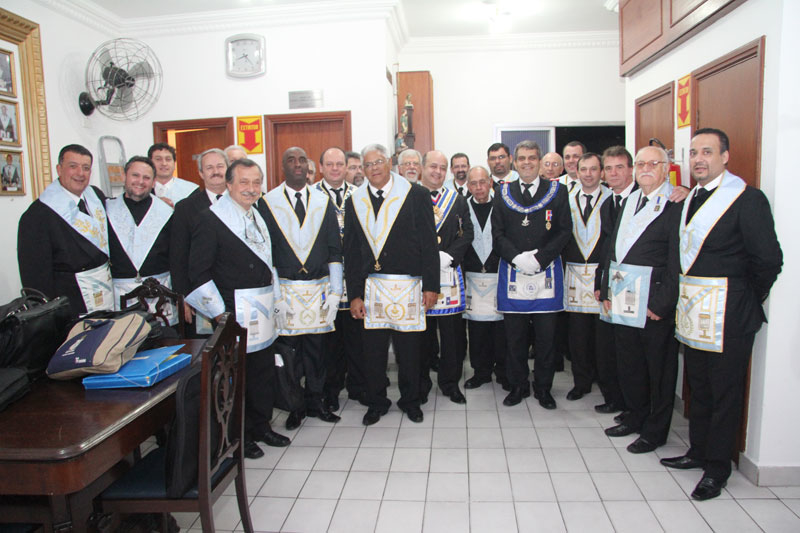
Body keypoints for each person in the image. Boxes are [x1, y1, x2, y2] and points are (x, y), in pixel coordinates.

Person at [661, 128, 782, 501]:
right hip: (694, 312)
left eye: (707, 152)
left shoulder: (747, 199)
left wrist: (744, 296)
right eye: (694, 152)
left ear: (725, 157)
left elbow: (768, 260)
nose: (699, 159)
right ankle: (698, 451)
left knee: (725, 393)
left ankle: (717, 469)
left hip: (730, 314)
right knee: (699, 387)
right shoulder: (690, 197)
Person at [186, 158, 290, 459]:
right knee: (237, 378)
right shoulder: (210, 220)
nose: (251, 188)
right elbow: (198, 273)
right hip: (233, 311)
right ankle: (240, 436)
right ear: (229, 184)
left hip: (262, 308)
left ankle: (262, 426)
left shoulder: (257, 215)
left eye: (256, 182)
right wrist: (221, 315)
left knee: (261, 373)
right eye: (244, 182)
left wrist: (277, 301)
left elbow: (268, 263)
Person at [343, 143, 438, 425]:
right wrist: (354, 294)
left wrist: (431, 285)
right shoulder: (355, 200)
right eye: (368, 164)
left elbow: (429, 243)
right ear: (363, 169)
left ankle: (411, 400)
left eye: (378, 162)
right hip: (371, 288)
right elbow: (351, 251)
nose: (374, 168)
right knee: (373, 353)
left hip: (408, 285)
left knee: (410, 351)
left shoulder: (415, 194)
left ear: (389, 163)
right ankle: (376, 402)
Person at [600, 145, 682, 455]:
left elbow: (677, 260)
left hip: (653, 300)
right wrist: (606, 289)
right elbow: (612, 247)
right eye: (641, 163)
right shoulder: (630, 200)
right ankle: (635, 416)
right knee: (630, 362)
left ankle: (655, 431)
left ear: (666, 168)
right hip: (623, 295)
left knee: (658, 370)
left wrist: (662, 303)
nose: (646, 168)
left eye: (653, 163)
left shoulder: (676, 204)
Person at [259, 146, 343, 431]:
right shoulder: (267, 203)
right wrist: (276, 297)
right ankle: (295, 407)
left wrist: (336, 292)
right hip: (286, 290)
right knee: (290, 355)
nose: (297, 164)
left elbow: (334, 249)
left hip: (319, 289)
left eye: (302, 160)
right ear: (282, 166)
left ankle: (316, 402)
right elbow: (267, 254)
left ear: (309, 166)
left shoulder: (323, 201)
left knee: (318, 353)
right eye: (290, 160)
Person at [492, 140, 571, 409]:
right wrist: (516, 258)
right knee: (514, 338)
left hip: (546, 273)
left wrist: (539, 259)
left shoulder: (557, 191)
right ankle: (518, 386)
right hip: (513, 271)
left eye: (532, 158)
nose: (527, 163)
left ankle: (543, 388)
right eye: (522, 158)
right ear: (514, 162)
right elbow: (497, 233)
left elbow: (564, 230)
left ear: (540, 161)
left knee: (546, 339)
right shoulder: (503, 192)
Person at [18, 144, 112, 318]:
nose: (80, 173)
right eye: (73, 166)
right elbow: (36, 277)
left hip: (105, 292)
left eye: (86, 168)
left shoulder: (96, 197)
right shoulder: (38, 215)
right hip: (70, 301)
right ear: (59, 169)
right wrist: (49, 314)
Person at [314, 147, 368, 411]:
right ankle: (331, 390)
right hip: (325, 280)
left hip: (356, 279)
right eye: (330, 164)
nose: (335, 168)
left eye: (339, 164)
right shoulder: (312, 196)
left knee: (357, 338)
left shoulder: (359, 195)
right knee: (330, 341)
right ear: (321, 167)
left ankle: (358, 387)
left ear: (347, 167)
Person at [419, 150, 473, 405]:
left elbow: (467, 233)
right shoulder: (410, 197)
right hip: (420, 276)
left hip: (449, 273)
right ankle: (421, 385)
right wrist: (427, 259)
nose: (437, 171)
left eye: (442, 167)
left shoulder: (457, 200)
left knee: (452, 337)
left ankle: (450, 384)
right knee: (421, 337)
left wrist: (449, 256)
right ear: (423, 167)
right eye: (433, 166)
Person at [592, 146, 636, 416]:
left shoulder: (642, 201)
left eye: (620, 167)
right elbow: (606, 247)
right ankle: (615, 399)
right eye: (608, 168)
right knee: (608, 347)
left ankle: (632, 408)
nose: (614, 173)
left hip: (634, 289)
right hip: (611, 285)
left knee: (629, 352)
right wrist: (600, 282)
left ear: (631, 169)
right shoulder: (609, 203)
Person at [562, 153, 610, 401]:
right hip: (574, 276)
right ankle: (581, 383)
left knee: (603, 337)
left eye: (593, 169)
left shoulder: (612, 199)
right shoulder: (566, 199)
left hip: (602, 276)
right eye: (584, 169)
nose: (588, 174)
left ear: (601, 172)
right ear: (576, 172)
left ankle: (606, 383)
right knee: (578, 337)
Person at [170, 148, 229, 335]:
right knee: (207, 346)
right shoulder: (185, 208)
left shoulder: (242, 202)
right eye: (209, 168)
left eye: (220, 166)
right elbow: (178, 256)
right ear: (201, 173)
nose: (215, 171)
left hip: (235, 292)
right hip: (202, 292)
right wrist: (183, 297)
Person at [106, 156, 173, 315]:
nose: (140, 181)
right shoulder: (106, 209)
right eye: (135, 175)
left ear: (154, 182)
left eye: (146, 177)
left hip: (160, 293)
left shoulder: (167, 212)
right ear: (124, 176)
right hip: (120, 293)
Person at [462, 166, 508, 390]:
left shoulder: (503, 205)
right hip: (472, 275)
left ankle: (503, 372)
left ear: (490, 182)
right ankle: (481, 372)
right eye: (473, 183)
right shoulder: (462, 207)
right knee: (477, 330)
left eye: (482, 182)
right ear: (468, 186)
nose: (478, 187)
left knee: (501, 329)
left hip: (498, 273)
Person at [148, 143, 198, 208]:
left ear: (174, 164)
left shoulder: (191, 190)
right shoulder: (143, 189)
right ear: (150, 164)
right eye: (158, 159)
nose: (164, 163)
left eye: (168, 159)